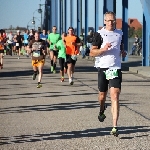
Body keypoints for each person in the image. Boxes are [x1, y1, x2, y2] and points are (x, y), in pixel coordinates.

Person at [90, 11, 126, 136]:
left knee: (115, 96)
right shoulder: (99, 34)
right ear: (104, 21)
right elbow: (92, 52)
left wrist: (123, 52)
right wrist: (103, 49)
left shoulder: (120, 33)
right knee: (102, 96)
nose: (111, 22)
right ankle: (101, 109)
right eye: (109, 20)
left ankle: (115, 126)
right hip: (102, 68)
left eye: (113, 20)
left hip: (115, 68)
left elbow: (120, 47)